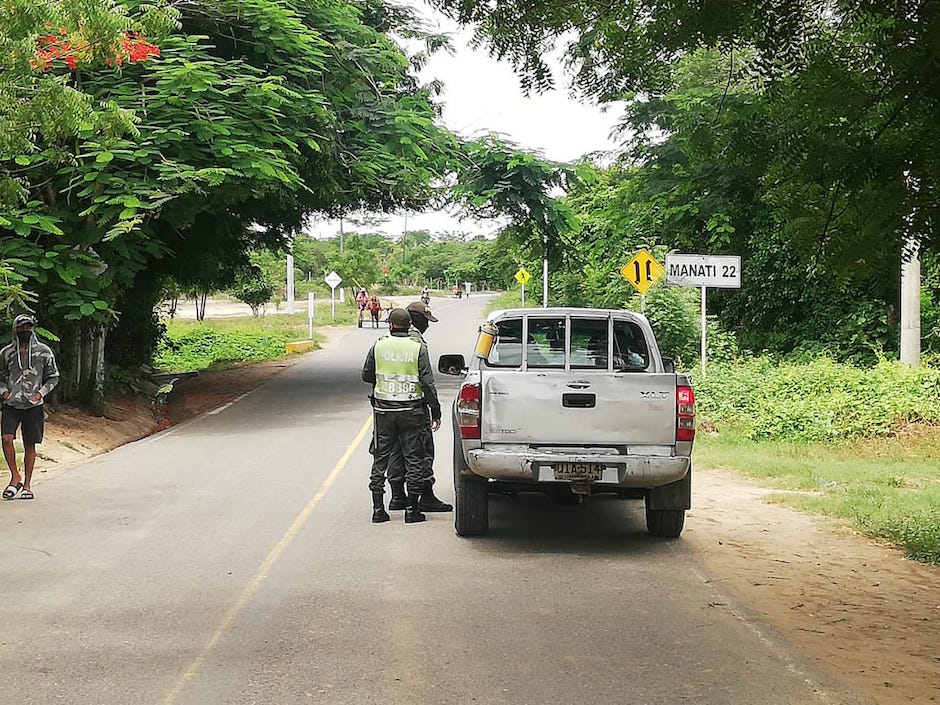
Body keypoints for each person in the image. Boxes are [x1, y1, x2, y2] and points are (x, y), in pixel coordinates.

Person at [362, 308, 441, 524]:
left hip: (384, 411)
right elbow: (427, 383)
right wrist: (436, 410)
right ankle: (412, 511)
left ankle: (378, 510)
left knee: (380, 458)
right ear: (410, 325)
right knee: (414, 458)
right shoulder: (417, 348)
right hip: (411, 410)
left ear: (390, 325)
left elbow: (366, 374)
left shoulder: (379, 344)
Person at [382, 301, 451, 513]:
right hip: (413, 406)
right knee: (420, 450)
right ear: (415, 320)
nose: (427, 326)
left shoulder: (386, 340)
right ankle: (425, 495)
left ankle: (397, 496)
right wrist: (435, 409)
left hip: (388, 405)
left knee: (395, 449)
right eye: (426, 321)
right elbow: (426, 380)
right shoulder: (416, 342)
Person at [1, 314, 60, 501]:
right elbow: (0, 376)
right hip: (12, 403)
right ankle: (15, 476)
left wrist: (40, 393)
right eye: (21, 328)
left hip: (33, 405)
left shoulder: (44, 351)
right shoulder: (6, 353)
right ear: (15, 329)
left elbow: (53, 376)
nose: (25, 331)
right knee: (7, 438)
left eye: (28, 327)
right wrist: (4, 392)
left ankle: (26, 484)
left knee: (29, 444)